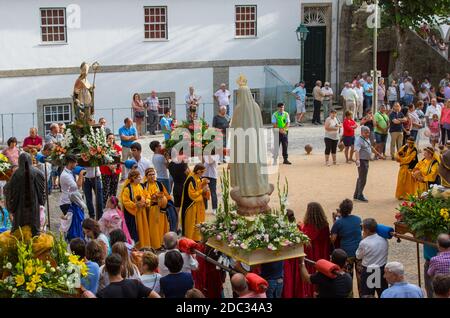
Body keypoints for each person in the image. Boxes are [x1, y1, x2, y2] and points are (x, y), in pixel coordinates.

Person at [4, 153, 45, 236]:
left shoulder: (16, 173)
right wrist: (42, 201)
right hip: (34, 204)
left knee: (18, 227)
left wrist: (11, 206)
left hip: (20, 204)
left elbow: (8, 189)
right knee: (34, 228)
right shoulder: (38, 172)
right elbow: (42, 190)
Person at [331, 199, 362, 297]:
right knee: (360, 276)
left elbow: (333, 239)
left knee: (348, 276)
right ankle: (362, 295)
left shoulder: (338, 223)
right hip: (359, 252)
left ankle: (350, 295)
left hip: (346, 254)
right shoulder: (358, 219)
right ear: (351, 209)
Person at [298, 202, 331, 298]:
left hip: (313, 255)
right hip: (323, 254)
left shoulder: (311, 226)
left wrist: (300, 227)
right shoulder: (325, 224)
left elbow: (305, 237)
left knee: (311, 274)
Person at [356, 218, 389, 298]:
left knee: (368, 295)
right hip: (381, 269)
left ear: (367, 230)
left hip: (369, 272)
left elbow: (358, 256)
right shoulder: (384, 239)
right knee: (382, 294)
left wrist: (363, 239)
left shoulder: (364, 242)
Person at [141, 167, 171, 250]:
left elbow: (166, 195)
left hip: (161, 209)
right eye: (150, 175)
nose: (152, 176)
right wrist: (152, 198)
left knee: (163, 226)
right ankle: (155, 245)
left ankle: (163, 243)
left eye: (153, 174)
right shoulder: (144, 186)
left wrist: (163, 199)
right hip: (152, 210)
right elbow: (144, 197)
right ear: (146, 176)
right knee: (154, 228)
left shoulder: (159, 183)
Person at [354, 126, 384, 202]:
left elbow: (371, 148)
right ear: (361, 132)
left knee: (360, 178)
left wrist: (378, 154)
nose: (368, 134)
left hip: (365, 160)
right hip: (362, 161)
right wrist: (357, 160)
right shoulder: (359, 140)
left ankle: (356, 194)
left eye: (368, 132)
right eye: (366, 132)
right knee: (363, 179)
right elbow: (357, 151)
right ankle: (360, 195)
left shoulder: (367, 139)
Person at [180, 164, 208, 241]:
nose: (203, 174)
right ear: (198, 171)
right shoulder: (190, 180)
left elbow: (198, 186)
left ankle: (196, 238)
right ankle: (189, 239)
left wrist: (203, 182)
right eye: (202, 172)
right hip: (191, 205)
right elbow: (192, 194)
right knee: (191, 222)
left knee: (197, 221)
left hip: (197, 204)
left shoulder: (196, 177)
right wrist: (202, 190)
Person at [120, 170, 147, 248]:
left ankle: (143, 244)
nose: (140, 178)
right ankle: (134, 246)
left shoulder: (142, 186)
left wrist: (146, 202)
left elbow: (147, 195)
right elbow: (125, 201)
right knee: (133, 230)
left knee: (142, 229)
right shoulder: (128, 189)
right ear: (133, 178)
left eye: (139, 177)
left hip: (142, 212)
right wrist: (135, 205)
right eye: (138, 177)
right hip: (132, 214)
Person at [100, 133, 122, 206]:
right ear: (106, 139)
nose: (111, 140)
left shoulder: (117, 147)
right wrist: (109, 166)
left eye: (113, 138)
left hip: (116, 171)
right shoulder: (103, 148)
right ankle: (105, 205)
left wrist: (114, 167)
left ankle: (113, 204)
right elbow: (101, 159)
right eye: (109, 138)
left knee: (114, 188)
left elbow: (119, 159)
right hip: (106, 171)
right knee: (106, 189)